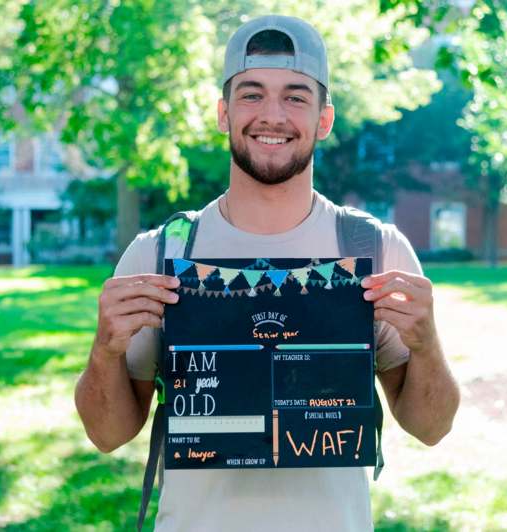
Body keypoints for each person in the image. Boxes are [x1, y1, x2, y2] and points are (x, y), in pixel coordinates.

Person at [75, 14, 460, 532]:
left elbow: (431, 428)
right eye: (251, 94)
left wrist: (426, 343)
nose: (272, 115)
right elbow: (107, 434)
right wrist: (105, 349)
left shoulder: (372, 249)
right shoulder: (162, 253)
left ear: (324, 120)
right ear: (223, 113)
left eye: (295, 97)